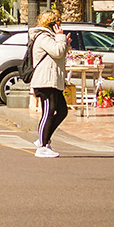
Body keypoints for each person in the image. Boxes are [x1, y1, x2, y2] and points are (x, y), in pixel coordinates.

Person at [30, 10, 71, 158]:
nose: (60, 25)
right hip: (44, 80)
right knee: (48, 111)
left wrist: (65, 43)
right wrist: (61, 38)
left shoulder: (50, 37)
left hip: (53, 80)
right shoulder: (43, 37)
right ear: (52, 24)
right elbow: (57, 52)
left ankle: (44, 139)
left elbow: (59, 54)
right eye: (58, 22)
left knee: (62, 111)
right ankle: (41, 146)